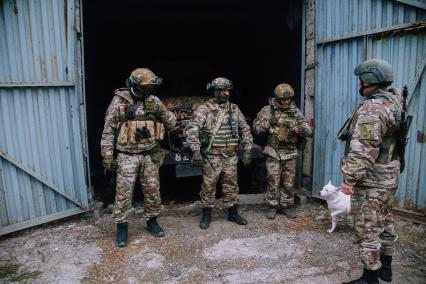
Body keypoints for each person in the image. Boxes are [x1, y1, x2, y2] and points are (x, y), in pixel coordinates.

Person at [339, 59, 403, 284]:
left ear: (368, 81)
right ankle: (386, 269)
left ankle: (370, 277)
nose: (359, 83)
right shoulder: (394, 101)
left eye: (361, 80)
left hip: (373, 179)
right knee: (385, 221)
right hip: (388, 176)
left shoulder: (373, 108)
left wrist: (349, 179)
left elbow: (364, 148)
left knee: (368, 227)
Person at [101, 68, 176, 247]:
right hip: (127, 156)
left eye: (151, 87)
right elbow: (108, 130)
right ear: (135, 85)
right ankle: (122, 227)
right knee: (124, 194)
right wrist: (107, 155)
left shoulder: (154, 101)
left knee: (152, 191)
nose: (150, 90)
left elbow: (172, 123)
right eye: (146, 87)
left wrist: (160, 111)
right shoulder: (120, 102)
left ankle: (152, 221)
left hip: (149, 154)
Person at [186, 77, 253, 229]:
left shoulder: (234, 109)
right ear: (214, 91)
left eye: (228, 90)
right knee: (209, 186)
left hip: (230, 155)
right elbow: (193, 129)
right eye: (222, 90)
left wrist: (248, 149)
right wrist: (195, 150)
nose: (226, 93)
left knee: (231, 185)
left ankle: (233, 213)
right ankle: (206, 215)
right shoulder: (205, 109)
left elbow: (245, 129)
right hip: (212, 156)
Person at [253, 83, 312, 219]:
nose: (286, 102)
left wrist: (299, 128)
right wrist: (269, 124)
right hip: (273, 151)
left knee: (288, 182)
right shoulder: (268, 110)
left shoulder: (295, 111)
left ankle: (286, 206)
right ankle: (272, 206)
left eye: (288, 99)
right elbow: (256, 128)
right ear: (277, 98)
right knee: (273, 180)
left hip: (290, 152)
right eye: (283, 99)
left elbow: (308, 130)